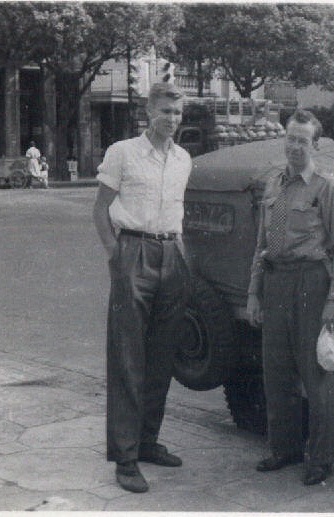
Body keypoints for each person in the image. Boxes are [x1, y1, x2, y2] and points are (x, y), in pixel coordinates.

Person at [246, 109, 334, 486]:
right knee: (276, 371)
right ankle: (284, 448)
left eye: (302, 140)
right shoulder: (273, 183)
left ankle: (320, 458)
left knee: (316, 373)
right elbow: (262, 244)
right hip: (276, 282)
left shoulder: (326, 186)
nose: (294, 146)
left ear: (316, 144)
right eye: (290, 138)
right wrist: (254, 294)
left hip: (312, 283)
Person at [93, 82, 192, 494]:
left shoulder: (185, 159)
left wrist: (183, 258)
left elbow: (176, 212)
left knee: (162, 355)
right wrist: (117, 256)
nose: (172, 119)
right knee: (128, 357)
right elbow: (100, 209)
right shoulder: (123, 152)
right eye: (165, 112)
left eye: (178, 113)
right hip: (132, 252)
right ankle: (126, 456)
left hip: (172, 254)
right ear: (148, 112)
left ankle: (148, 441)